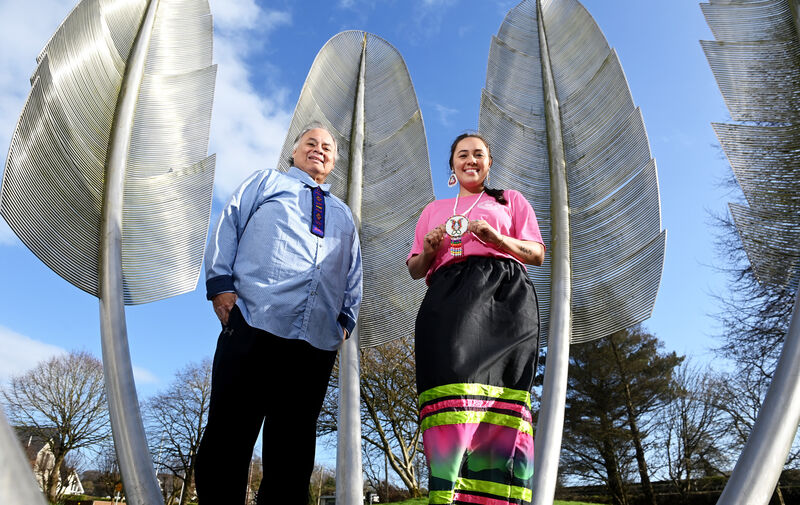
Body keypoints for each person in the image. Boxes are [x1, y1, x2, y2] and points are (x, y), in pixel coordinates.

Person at [195, 123, 363, 505]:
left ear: (335, 161)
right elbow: (229, 223)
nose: (319, 150)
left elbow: (354, 272)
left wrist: (344, 322)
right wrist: (220, 285)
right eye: (311, 143)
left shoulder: (343, 214)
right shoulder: (267, 182)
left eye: (327, 147)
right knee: (229, 437)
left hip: (315, 341)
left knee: (294, 450)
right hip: (254, 322)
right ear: (294, 151)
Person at [407, 133, 545, 505]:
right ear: (452, 165)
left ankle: (498, 496)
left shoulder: (511, 200)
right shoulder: (433, 209)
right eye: (462, 154)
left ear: (489, 161)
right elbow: (415, 269)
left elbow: (536, 254)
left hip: (506, 301)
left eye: (478, 154)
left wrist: (497, 238)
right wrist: (432, 249)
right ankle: (448, 493)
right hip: (448, 303)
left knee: (505, 394)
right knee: (451, 383)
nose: (471, 160)